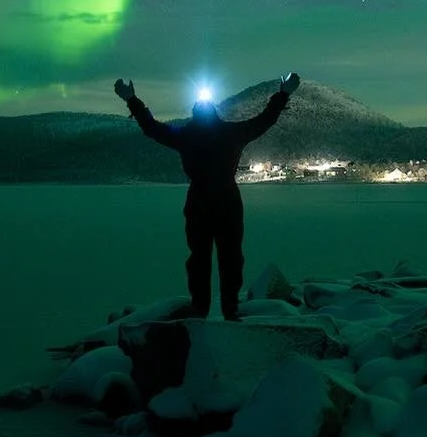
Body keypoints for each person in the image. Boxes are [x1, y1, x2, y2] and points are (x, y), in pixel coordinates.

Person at [114, 73, 301, 321]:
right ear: (214, 111)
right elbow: (265, 120)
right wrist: (283, 93)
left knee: (202, 257)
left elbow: (152, 127)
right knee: (228, 256)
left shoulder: (185, 135)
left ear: (194, 112)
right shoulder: (231, 133)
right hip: (226, 199)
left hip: (200, 199)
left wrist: (131, 99)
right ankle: (228, 309)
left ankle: (202, 309)